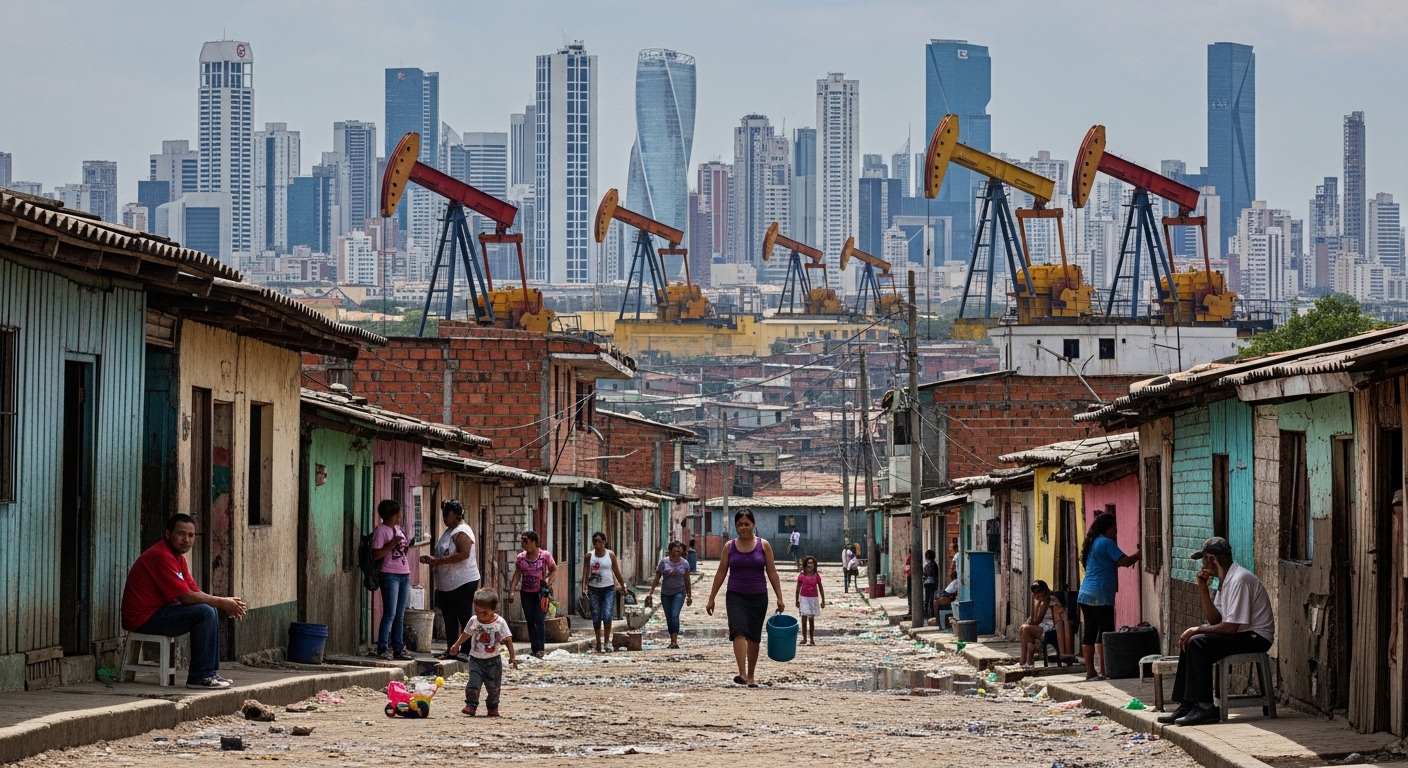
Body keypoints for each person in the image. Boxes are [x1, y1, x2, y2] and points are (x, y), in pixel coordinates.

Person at [1157, 537, 1275, 726]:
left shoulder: (1239, 579)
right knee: (1191, 641)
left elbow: (1230, 627)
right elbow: (1216, 621)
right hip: (1240, 633)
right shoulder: (1224, 581)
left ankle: (1205, 707)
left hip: (1256, 636)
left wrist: (1197, 629)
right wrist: (1203, 589)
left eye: (1203, 560)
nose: (1203, 565)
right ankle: (1187, 704)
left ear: (1211, 559)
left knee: (1198, 641)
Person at [121, 514, 247, 689]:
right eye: (181, 534)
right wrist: (221, 602)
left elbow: (193, 591)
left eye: (190, 535)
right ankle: (200, 676)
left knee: (208, 609)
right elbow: (186, 597)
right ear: (168, 534)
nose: (186, 540)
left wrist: (222, 603)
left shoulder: (177, 558)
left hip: (156, 613)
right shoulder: (161, 555)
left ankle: (209, 673)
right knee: (205, 612)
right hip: (142, 618)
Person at [705, 509, 787, 686]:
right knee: (738, 631)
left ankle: (751, 676)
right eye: (740, 524)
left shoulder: (763, 546)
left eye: (747, 524)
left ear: (753, 525)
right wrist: (711, 598)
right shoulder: (729, 547)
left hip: (758, 596)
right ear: (736, 526)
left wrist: (780, 597)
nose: (744, 527)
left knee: (754, 636)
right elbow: (720, 573)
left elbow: (772, 572)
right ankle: (742, 673)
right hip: (735, 595)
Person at [1075, 512, 1140, 680]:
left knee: (1091, 631)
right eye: (1114, 528)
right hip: (1100, 595)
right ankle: (1105, 669)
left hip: (1085, 593)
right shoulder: (1107, 543)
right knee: (1106, 631)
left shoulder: (1093, 543)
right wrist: (1141, 554)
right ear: (1108, 528)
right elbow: (1124, 562)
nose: (1116, 531)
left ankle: (1092, 671)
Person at [421, 500, 480, 660]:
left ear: (455, 514)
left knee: (463, 616)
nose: (444, 518)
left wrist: (439, 561)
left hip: (462, 582)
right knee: (449, 618)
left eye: (446, 515)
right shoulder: (450, 531)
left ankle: (466, 651)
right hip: (447, 584)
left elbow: (463, 554)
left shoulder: (462, 531)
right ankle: (451, 649)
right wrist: (433, 560)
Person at [448, 588, 518, 717]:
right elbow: (466, 633)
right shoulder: (474, 621)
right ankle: (471, 705)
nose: (480, 616)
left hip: (494, 661)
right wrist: (456, 645)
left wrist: (512, 656)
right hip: (475, 660)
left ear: (494, 610)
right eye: (477, 612)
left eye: (484, 613)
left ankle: (492, 706)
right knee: (473, 684)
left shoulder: (500, 623)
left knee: (493, 687)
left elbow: (508, 639)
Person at [371, 499, 414, 660]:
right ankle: (382, 647)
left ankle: (398, 648)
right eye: (397, 514)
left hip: (404, 573)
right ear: (391, 515)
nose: (399, 516)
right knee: (390, 612)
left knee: (400, 614)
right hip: (389, 574)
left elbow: (403, 550)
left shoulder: (398, 529)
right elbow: (376, 554)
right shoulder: (381, 531)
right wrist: (391, 544)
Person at [507, 531, 556, 658]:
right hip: (526, 593)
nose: (523, 544)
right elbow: (517, 574)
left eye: (526, 541)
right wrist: (512, 591)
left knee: (539, 619)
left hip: (541, 593)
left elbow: (553, 569)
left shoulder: (544, 556)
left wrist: (548, 581)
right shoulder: (521, 557)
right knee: (530, 620)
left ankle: (541, 648)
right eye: (522, 541)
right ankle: (534, 648)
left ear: (534, 542)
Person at [580, 531, 624, 654]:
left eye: (599, 541)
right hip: (594, 589)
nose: (597, 544)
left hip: (609, 588)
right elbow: (585, 572)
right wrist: (584, 587)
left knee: (607, 614)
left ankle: (606, 641)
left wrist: (622, 586)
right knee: (596, 616)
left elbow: (616, 571)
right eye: (594, 541)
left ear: (604, 542)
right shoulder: (589, 556)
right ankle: (598, 641)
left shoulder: (610, 555)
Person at [647, 540, 693, 648]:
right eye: (676, 549)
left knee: (674, 615)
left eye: (679, 549)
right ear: (670, 550)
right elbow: (657, 577)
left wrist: (689, 595)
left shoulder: (684, 563)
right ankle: (671, 636)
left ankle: (674, 641)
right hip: (666, 594)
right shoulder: (664, 562)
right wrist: (651, 592)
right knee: (668, 617)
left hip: (679, 592)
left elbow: (687, 580)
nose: (678, 551)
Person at [1018, 580, 1072, 668]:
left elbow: (1037, 621)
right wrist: (1035, 603)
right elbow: (1032, 620)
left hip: (1051, 630)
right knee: (1023, 629)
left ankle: (1025, 661)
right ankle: (1025, 661)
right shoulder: (1037, 601)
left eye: (1042, 596)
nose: (1041, 598)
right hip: (1040, 628)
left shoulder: (1051, 601)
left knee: (1025, 628)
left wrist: (1039, 603)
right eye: (1037, 596)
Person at [795, 556, 825, 646]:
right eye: (809, 563)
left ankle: (811, 638)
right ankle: (804, 638)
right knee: (804, 618)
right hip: (803, 598)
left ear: (814, 565)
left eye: (812, 563)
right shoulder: (801, 575)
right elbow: (798, 588)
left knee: (811, 619)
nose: (810, 565)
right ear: (805, 564)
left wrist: (823, 599)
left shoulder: (816, 576)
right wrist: (797, 600)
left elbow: (820, 587)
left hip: (813, 598)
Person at [921, 549, 940, 618]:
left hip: (928, 584)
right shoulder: (935, 565)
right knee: (931, 599)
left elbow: (925, 575)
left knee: (927, 599)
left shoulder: (928, 566)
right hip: (933, 583)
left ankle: (927, 614)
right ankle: (930, 614)